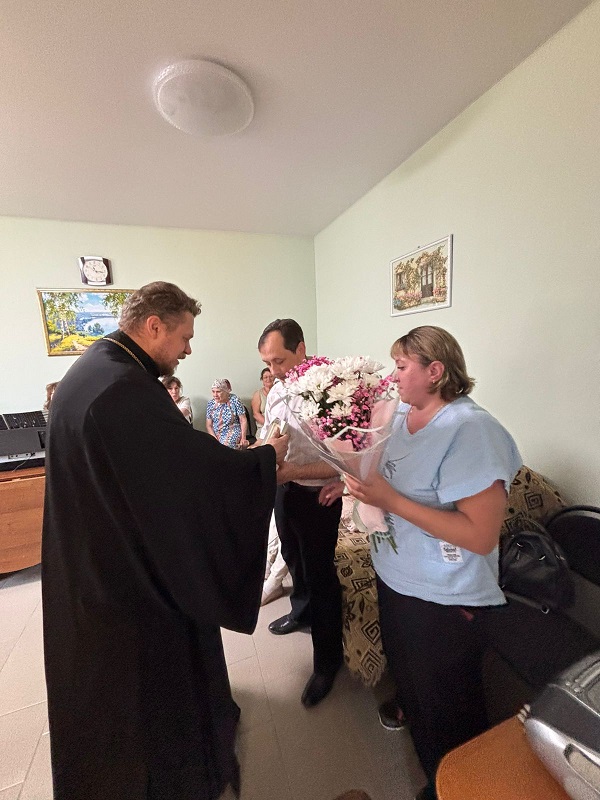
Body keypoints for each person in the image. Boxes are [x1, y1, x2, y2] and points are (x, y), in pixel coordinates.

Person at [41, 281, 288, 800]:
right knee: (148, 684)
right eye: (184, 337)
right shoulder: (121, 387)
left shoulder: (97, 367)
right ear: (154, 326)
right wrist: (264, 458)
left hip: (93, 552)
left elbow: (160, 463)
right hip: (126, 573)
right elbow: (189, 469)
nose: (188, 350)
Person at [324, 325, 521, 800]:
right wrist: (348, 480)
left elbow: (479, 536)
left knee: (450, 711)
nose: (393, 376)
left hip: (443, 597)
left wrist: (389, 500)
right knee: (414, 690)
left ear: (435, 371)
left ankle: (457, 787)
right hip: (396, 580)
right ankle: (436, 776)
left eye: (401, 366)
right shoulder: (401, 415)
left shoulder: (471, 431)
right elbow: (378, 468)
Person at [258, 318, 343, 708]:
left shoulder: (331, 392)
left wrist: (294, 472)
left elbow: (345, 460)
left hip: (318, 497)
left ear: (302, 349)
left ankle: (327, 663)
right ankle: (302, 612)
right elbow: (271, 434)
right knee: (292, 556)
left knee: (321, 576)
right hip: (286, 489)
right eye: (267, 363)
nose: (273, 370)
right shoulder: (277, 388)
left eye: (279, 360)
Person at [206, 378, 249, 449]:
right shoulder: (211, 404)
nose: (215, 395)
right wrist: (214, 439)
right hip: (216, 433)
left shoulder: (235, 400)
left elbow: (243, 420)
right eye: (213, 391)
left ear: (226, 391)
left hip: (233, 430)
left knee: (225, 447)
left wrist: (243, 438)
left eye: (218, 392)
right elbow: (209, 425)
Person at [251, 367, 274, 439]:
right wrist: (270, 425)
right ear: (262, 380)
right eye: (265, 377)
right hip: (264, 427)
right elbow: (256, 414)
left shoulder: (280, 392)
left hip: (279, 426)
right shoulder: (258, 394)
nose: (268, 379)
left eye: (271, 376)